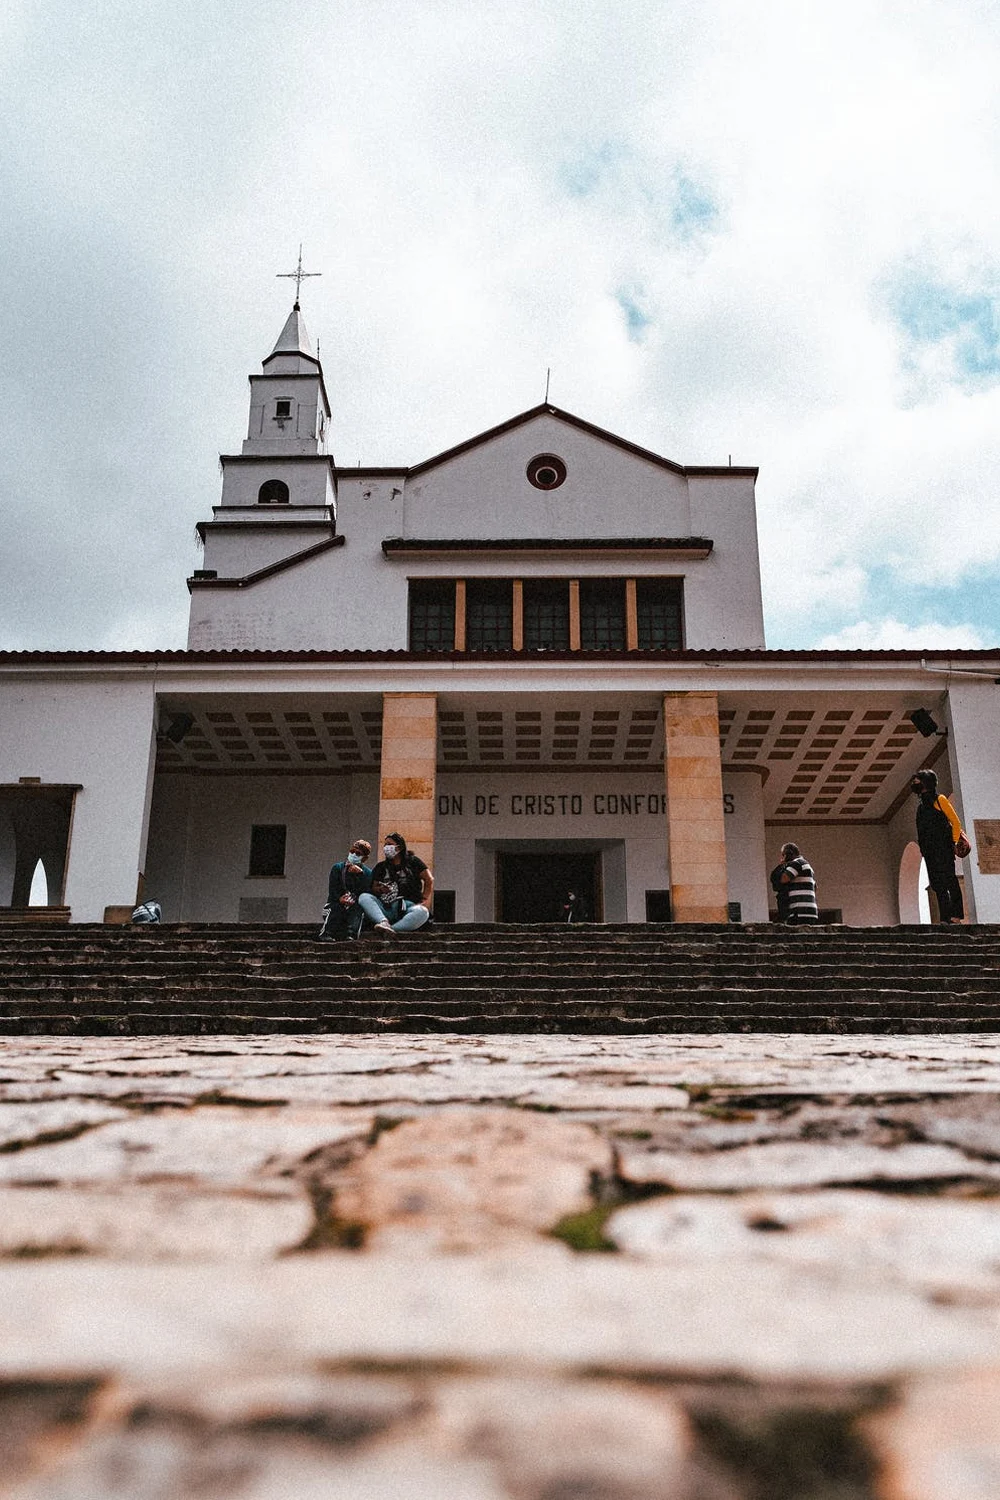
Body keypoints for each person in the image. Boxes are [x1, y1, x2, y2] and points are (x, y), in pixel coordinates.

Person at [911, 769, 965, 924]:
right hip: (929, 851)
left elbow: (955, 822)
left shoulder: (940, 800)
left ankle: (956, 915)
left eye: (918, 780)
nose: (914, 782)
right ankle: (945, 917)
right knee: (937, 884)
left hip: (944, 848)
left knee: (949, 880)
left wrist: (954, 842)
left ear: (926, 782)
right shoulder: (921, 806)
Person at [360, 832, 432, 934]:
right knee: (364, 897)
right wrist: (381, 889)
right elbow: (374, 887)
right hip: (386, 907)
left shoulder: (413, 862)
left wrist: (424, 899)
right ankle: (383, 922)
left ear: (399, 847)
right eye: (385, 845)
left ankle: (392, 929)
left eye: (389, 844)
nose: (386, 847)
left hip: (408, 907)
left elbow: (429, 879)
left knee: (422, 912)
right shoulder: (381, 867)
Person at [318, 838, 373, 941]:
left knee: (358, 910)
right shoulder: (338, 868)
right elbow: (333, 891)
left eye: (358, 853)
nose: (353, 855)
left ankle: (350, 934)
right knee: (336, 908)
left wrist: (360, 875)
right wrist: (340, 899)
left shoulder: (368, 874)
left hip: (354, 909)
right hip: (335, 906)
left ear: (364, 858)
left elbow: (366, 894)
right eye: (352, 851)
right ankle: (326, 933)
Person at [775, 842, 819, 923]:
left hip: (799, 911)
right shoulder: (806, 865)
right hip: (810, 910)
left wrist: (782, 865)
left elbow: (783, 879)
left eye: (783, 855)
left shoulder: (796, 863)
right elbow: (815, 887)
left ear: (786, 855)